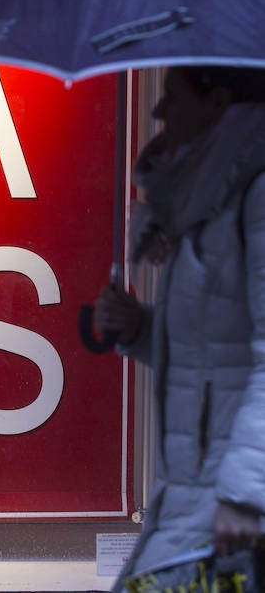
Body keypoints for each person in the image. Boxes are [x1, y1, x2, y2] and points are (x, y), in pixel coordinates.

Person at [94, 64, 265, 590]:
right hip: (194, 496)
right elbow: (216, 353)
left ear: (216, 102)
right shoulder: (207, 205)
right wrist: (140, 329)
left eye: (172, 96)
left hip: (228, 508)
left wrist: (246, 495)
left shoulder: (255, 198)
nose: (158, 112)